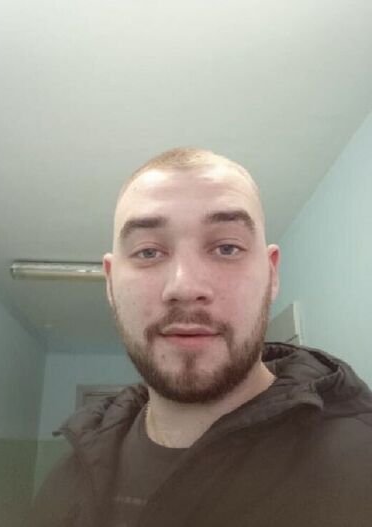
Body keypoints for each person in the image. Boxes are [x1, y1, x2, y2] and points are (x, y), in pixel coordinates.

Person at [33, 148, 372, 527]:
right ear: (110, 283)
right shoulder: (66, 483)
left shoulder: (361, 469)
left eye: (227, 248)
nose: (185, 287)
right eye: (148, 251)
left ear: (272, 274)